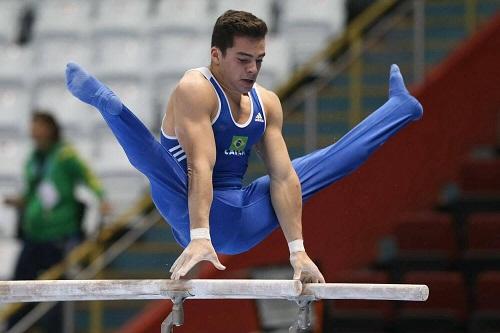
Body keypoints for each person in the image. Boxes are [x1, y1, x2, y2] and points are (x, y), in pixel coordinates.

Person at [65, 10, 423, 283]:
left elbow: (283, 178)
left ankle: (399, 109)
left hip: (243, 218)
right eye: (243, 60)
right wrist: (200, 236)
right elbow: (200, 167)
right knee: (161, 165)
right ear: (216, 55)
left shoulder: (266, 103)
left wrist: (297, 251)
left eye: (259, 61)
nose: (253, 70)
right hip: (191, 211)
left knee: (317, 166)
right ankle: (109, 105)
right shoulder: (196, 89)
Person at [4, 111, 108, 331]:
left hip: (59, 235)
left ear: (50, 128)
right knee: (19, 285)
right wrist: (20, 201)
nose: (34, 130)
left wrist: (101, 198)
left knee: (56, 289)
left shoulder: (65, 155)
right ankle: (14, 327)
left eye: (38, 125)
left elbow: (87, 176)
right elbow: (33, 191)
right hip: (33, 235)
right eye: (32, 125)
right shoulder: (33, 158)